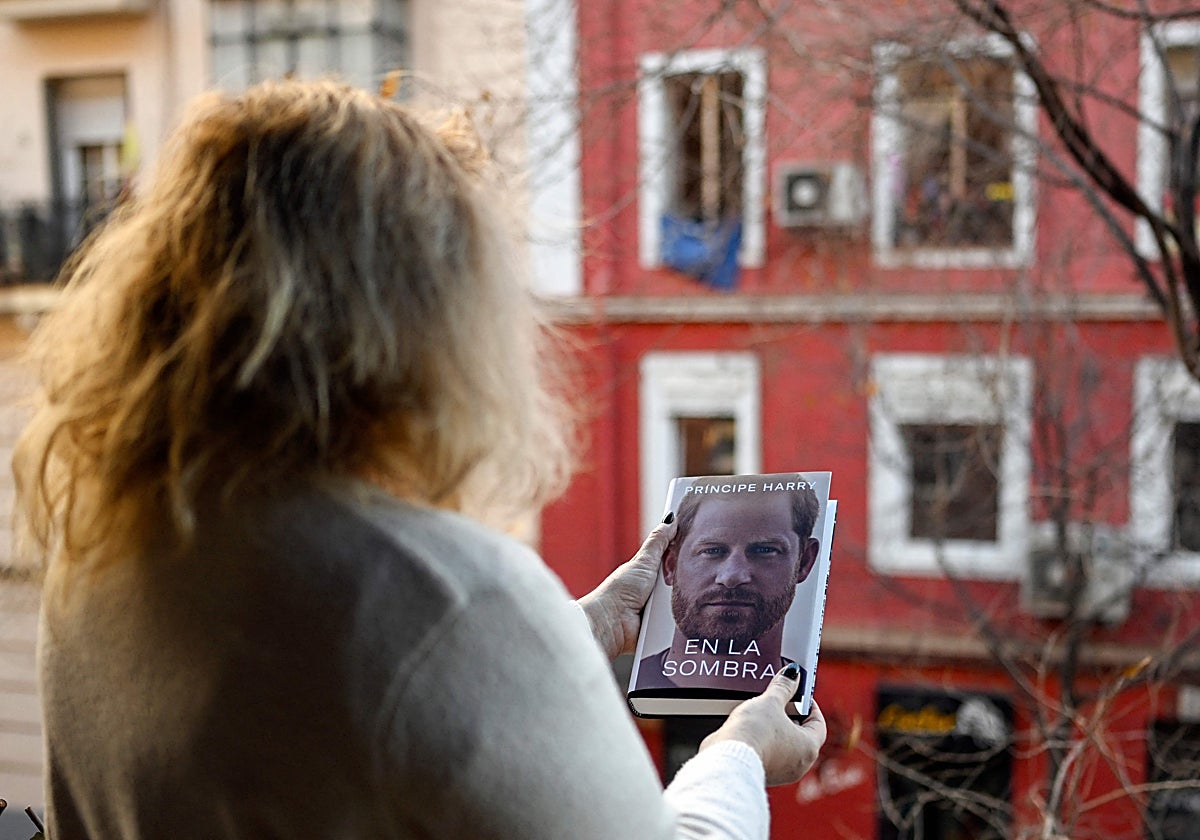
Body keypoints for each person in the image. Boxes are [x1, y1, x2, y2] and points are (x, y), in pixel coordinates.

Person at [15, 78, 826, 839]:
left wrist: (577, 630)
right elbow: (407, 657)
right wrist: (741, 756)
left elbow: (345, 718)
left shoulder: (104, 557)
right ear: (422, 326)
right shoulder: (445, 597)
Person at [636, 483, 821, 693]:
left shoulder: (814, 701)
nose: (732, 576)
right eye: (712, 550)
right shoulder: (616, 692)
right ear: (670, 565)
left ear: (804, 562)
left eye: (765, 550)